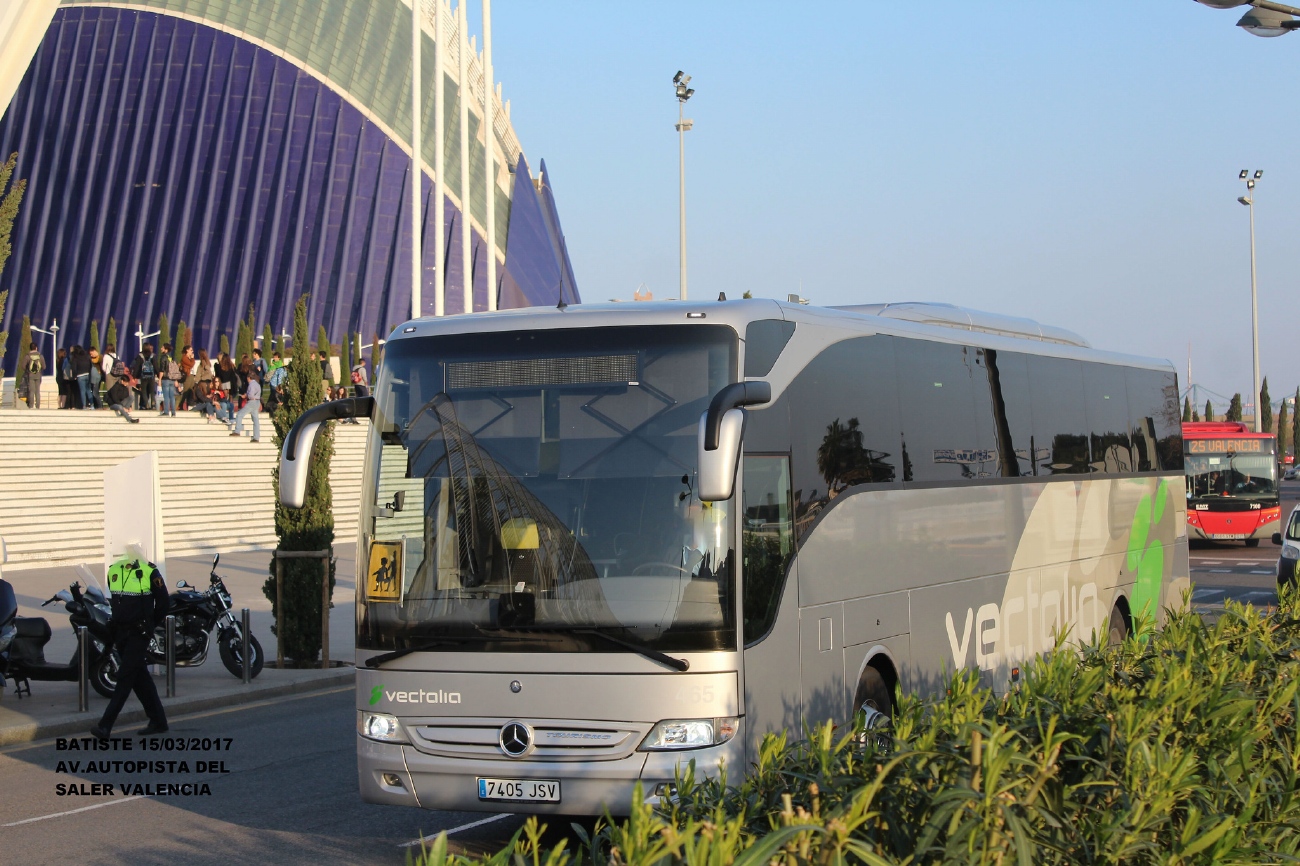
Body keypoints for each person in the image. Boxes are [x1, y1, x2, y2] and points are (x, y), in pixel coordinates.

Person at [90, 555, 169, 738]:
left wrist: (149, 625)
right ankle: (158, 721)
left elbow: (164, 604)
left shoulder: (149, 571)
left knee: (124, 678)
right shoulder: (114, 570)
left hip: (138, 635)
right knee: (140, 678)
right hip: (121, 634)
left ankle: (105, 725)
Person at [231, 369, 262, 442]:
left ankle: (237, 431)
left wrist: (245, 396)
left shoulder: (251, 385)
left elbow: (251, 395)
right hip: (257, 402)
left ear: (249, 378)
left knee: (239, 414)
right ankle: (256, 437)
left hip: (251, 402)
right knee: (255, 420)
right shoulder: (257, 384)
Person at [131, 343, 157, 411]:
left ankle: (146, 404)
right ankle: (153, 404)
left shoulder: (140, 356)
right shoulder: (153, 356)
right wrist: (158, 373)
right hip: (151, 376)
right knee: (152, 391)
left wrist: (134, 376)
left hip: (143, 376)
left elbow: (137, 367)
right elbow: (155, 366)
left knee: (144, 391)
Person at [157, 343, 179, 417]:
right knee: (172, 396)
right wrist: (176, 379)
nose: (161, 348)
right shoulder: (172, 357)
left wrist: (159, 379)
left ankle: (166, 411)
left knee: (166, 396)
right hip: (172, 379)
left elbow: (162, 369)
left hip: (165, 379)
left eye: (162, 348)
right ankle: (173, 412)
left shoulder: (163, 357)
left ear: (166, 349)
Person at [21, 342, 43, 409]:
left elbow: (23, 366)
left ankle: (31, 405)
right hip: (38, 375)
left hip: (30, 375)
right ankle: (38, 406)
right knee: (37, 391)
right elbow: (44, 366)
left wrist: (28, 370)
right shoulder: (40, 356)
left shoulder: (28, 356)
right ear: (36, 348)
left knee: (31, 391)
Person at [70, 345, 91, 409]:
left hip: (80, 375)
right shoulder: (86, 356)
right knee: (88, 390)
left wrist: (74, 376)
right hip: (87, 374)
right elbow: (90, 365)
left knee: (82, 391)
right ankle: (91, 404)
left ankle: (84, 405)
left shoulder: (75, 357)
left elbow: (74, 368)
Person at [179, 345, 196, 409]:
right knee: (186, 390)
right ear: (187, 350)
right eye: (191, 350)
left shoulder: (189, 358)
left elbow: (190, 365)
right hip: (187, 376)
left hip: (191, 375)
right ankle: (180, 405)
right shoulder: (184, 358)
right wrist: (192, 359)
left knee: (191, 391)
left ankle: (189, 404)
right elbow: (191, 364)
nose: (192, 351)